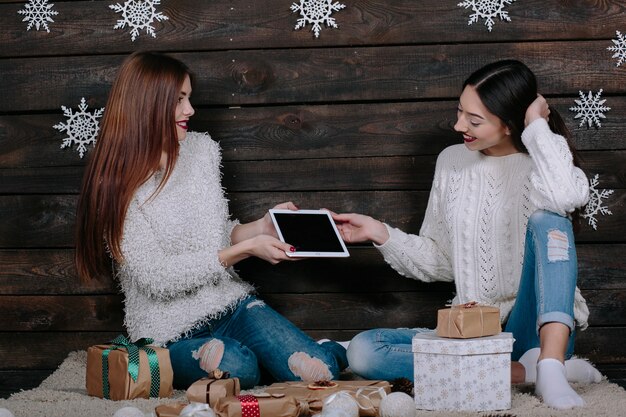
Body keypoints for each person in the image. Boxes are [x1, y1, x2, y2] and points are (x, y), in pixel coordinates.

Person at [331, 60, 602, 410]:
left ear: (509, 124)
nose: (459, 125)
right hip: (476, 331)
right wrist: (380, 233)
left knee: (550, 222)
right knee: (364, 352)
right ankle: (526, 374)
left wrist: (537, 125)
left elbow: (567, 196)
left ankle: (550, 365)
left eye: (474, 120)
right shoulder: (452, 161)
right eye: (460, 112)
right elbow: (444, 260)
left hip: (536, 329)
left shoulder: (544, 161)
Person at [74, 51, 346, 389]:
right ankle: (267, 357)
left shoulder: (201, 151)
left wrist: (261, 227)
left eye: (189, 98)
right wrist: (245, 251)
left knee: (322, 372)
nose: (190, 110)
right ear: (147, 105)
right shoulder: (115, 186)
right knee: (238, 366)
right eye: (179, 100)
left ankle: (322, 353)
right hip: (169, 331)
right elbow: (155, 278)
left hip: (231, 306)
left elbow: (217, 232)